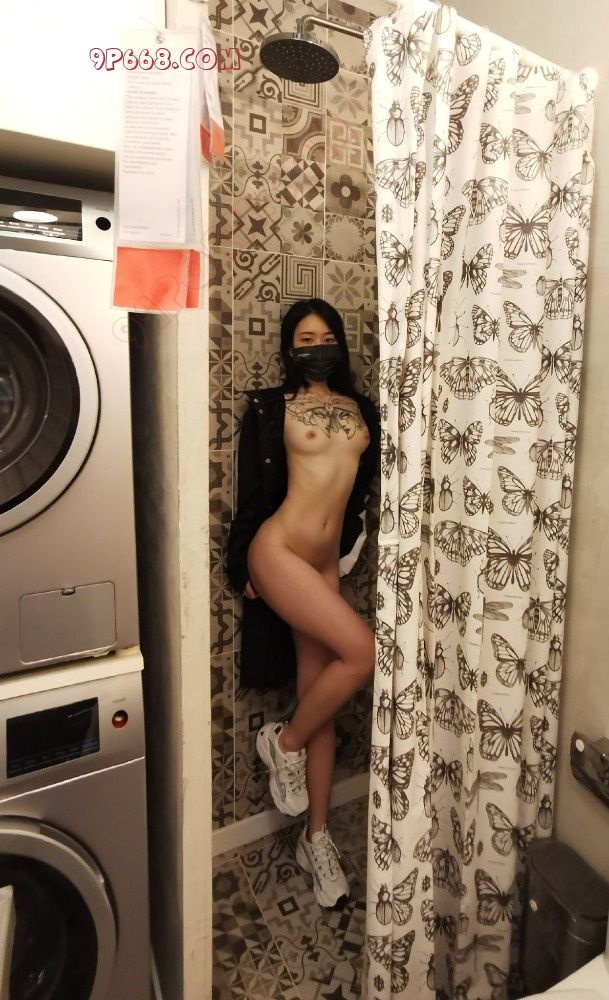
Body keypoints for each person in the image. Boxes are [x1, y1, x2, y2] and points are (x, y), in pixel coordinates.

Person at [226, 298, 381, 907]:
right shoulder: (274, 407)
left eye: (325, 337)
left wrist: (351, 543)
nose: (317, 347)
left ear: (338, 343)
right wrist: (242, 566)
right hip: (280, 551)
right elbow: (251, 490)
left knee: (323, 699)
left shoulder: (361, 410)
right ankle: (282, 743)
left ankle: (315, 839)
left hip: (324, 565)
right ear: (290, 349)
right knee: (363, 653)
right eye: (304, 339)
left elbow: (359, 490)